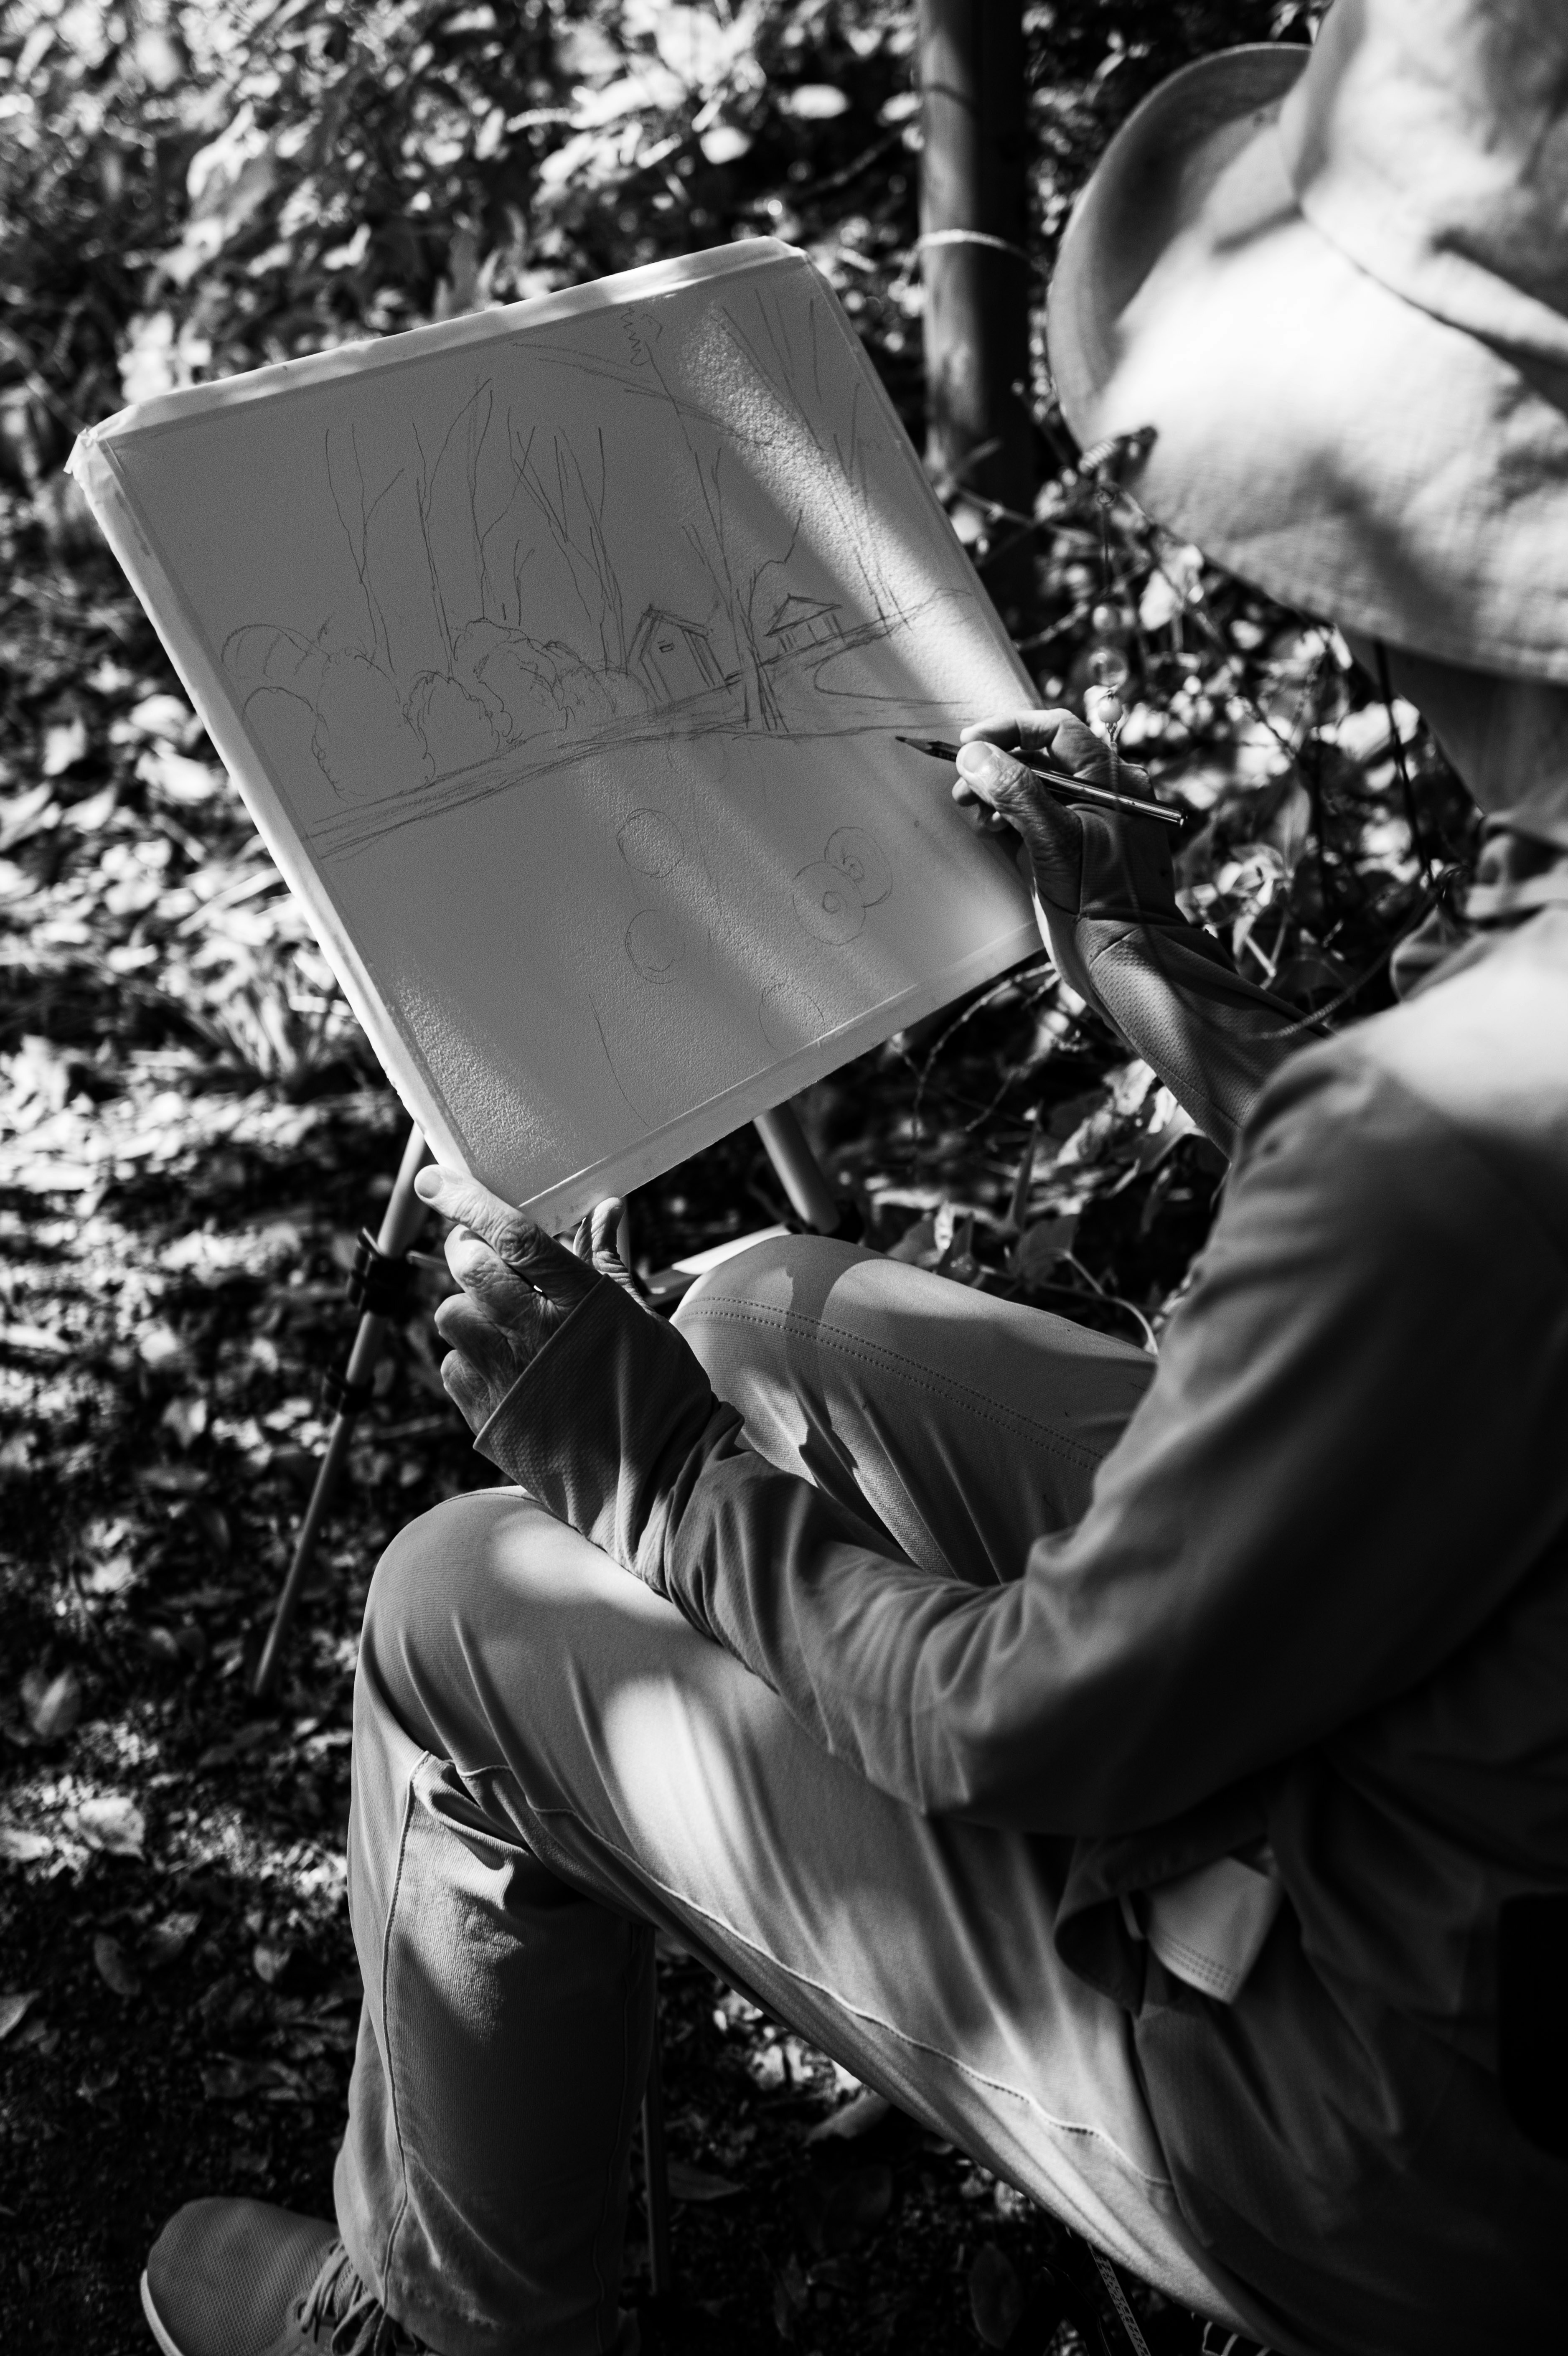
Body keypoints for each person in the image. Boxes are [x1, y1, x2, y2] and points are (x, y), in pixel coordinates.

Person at [139, 3, 1568, 2352]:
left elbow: (1031, 1719)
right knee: (775, 1303)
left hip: (1408, 2101)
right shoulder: (1485, 1083)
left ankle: (445, 2327)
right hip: (1487, 1759)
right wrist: (1168, 987)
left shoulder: (1439, 1153)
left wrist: (644, 1471)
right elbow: (1485, 1284)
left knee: (449, 1599)